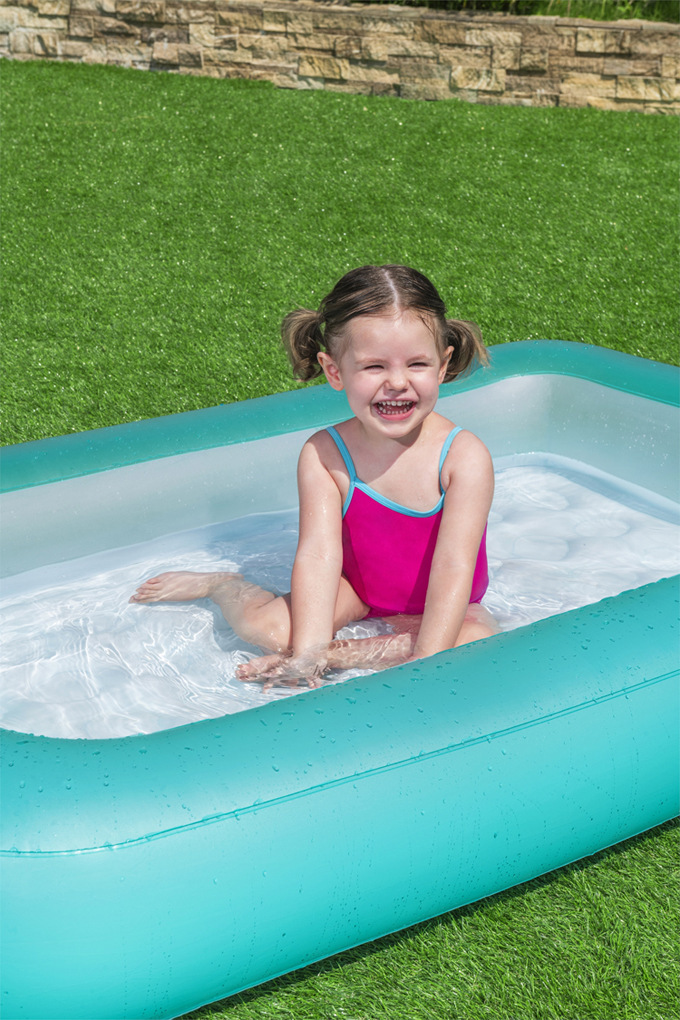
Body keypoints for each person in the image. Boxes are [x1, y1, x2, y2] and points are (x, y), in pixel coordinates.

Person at [130, 265, 499, 687]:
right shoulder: (325, 454)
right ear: (334, 371)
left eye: (417, 363)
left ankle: (339, 654)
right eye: (374, 366)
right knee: (268, 632)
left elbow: (453, 566)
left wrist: (427, 658)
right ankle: (224, 585)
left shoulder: (463, 457)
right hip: (358, 590)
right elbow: (319, 556)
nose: (397, 382)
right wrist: (305, 652)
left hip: (449, 602)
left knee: (473, 641)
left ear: (442, 365)